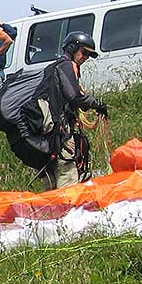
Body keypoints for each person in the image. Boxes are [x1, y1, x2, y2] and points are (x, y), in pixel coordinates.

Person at [44, 31, 109, 190]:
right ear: (72, 48)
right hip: (61, 133)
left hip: (48, 134)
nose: (86, 57)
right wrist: (97, 104)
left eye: (89, 55)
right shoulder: (67, 65)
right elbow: (74, 96)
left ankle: (49, 205)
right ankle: (68, 204)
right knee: (67, 174)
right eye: (84, 52)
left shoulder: (53, 67)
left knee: (50, 180)